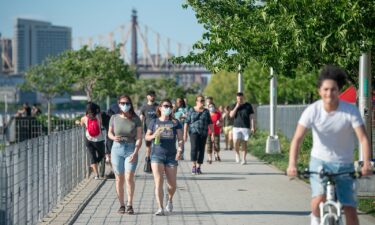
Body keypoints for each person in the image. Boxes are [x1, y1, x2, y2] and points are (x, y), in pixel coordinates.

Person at [287, 65, 373, 225]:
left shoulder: (350, 111)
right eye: (325, 89)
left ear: (339, 90)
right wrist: (292, 164)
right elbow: (297, 139)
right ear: (320, 90)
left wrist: (366, 163)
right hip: (320, 162)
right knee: (318, 199)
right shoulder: (312, 111)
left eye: (333, 89)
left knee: (350, 210)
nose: (329, 93)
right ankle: (315, 219)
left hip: (344, 165)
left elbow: (363, 138)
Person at [145, 99, 183, 215]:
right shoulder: (154, 122)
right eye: (165, 106)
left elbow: (180, 139)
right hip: (157, 155)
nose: (168, 108)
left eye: (170, 107)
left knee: (172, 185)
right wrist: (153, 136)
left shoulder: (175, 123)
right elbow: (146, 137)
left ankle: (170, 200)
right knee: (158, 182)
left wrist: (180, 149)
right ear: (160, 108)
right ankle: (160, 208)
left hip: (171, 155)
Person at [107, 95, 142, 214]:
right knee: (119, 179)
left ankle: (130, 204)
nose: (125, 105)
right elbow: (109, 133)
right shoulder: (114, 117)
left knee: (129, 177)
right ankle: (121, 204)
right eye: (122, 103)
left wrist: (136, 151)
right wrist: (113, 137)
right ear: (118, 104)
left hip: (131, 149)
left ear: (130, 104)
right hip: (116, 149)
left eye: (127, 103)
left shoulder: (136, 119)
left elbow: (139, 137)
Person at [184, 95, 214, 175]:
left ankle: (199, 167)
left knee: (201, 150)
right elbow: (186, 122)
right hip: (193, 132)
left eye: (202, 101)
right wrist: (185, 134)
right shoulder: (191, 110)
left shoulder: (206, 111)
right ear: (196, 102)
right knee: (194, 147)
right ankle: (194, 166)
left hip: (203, 132)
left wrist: (212, 134)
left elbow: (210, 123)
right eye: (200, 100)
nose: (201, 102)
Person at [80, 102, 105, 179]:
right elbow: (101, 124)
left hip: (88, 139)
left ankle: (96, 175)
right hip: (99, 139)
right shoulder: (98, 116)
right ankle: (97, 162)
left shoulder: (83, 118)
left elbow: (82, 125)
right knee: (102, 155)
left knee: (92, 156)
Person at [229, 92, 255, 165]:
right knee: (235, 142)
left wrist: (253, 126)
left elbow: (252, 117)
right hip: (236, 127)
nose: (239, 100)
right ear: (236, 99)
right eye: (238, 99)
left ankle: (244, 159)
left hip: (245, 127)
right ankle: (237, 154)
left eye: (240, 98)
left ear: (243, 97)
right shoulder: (234, 105)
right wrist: (237, 107)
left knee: (244, 143)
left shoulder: (248, 105)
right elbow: (231, 115)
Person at [140, 90, 158, 168]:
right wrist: (139, 130)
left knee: (157, 146)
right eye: (151, 95)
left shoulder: (158, 106)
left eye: (153, 95)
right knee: (148, 147)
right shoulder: (144, 107)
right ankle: (147, 162)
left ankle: (157, 162)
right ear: (147, 97)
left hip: (157, 130)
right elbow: (141, 118)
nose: (152, 97)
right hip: (147, 130)